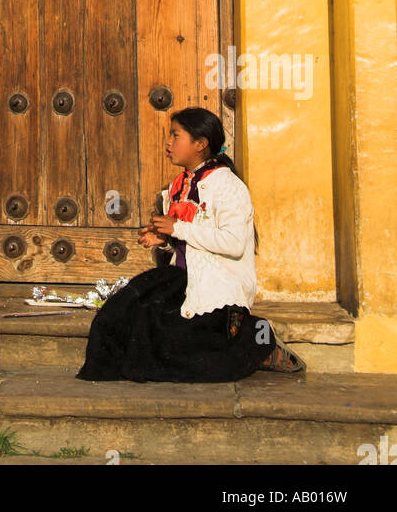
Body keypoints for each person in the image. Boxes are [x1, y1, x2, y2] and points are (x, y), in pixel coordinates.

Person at [77, 106, 305, 382]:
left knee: (175, 344)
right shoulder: (177, 187)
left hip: (215, 288)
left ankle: (256, 341)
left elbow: (233, 243)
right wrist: (164, 240)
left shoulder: (228, 187)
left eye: (175, 135)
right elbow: (186, 244)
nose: (168, 143)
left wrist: (179, 228)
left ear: (200, 144)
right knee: (117, 315)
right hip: (181, 281)